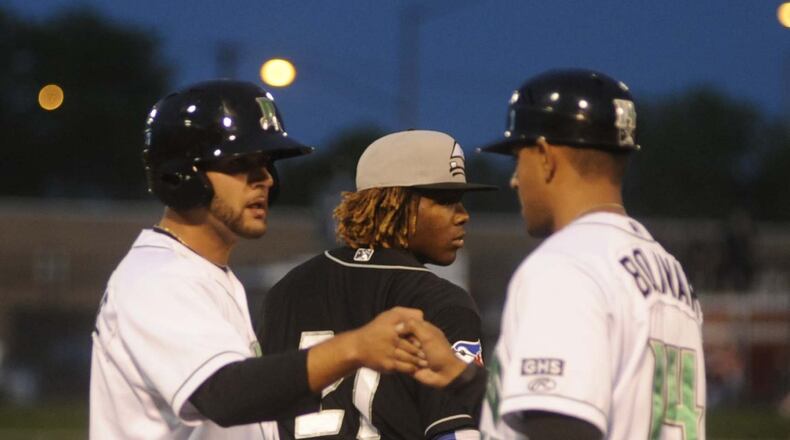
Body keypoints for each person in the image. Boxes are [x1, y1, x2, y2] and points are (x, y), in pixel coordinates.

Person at [89, 80, 432, 439]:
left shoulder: (201, 273)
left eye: (266, 164)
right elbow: (224, 395)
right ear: (180, 175)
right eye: (242, 163)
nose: (265, 179)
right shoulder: (157, 279)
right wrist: (354, 347)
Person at [476, 69, 707, 440]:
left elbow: (561, 427)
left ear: (545, 155)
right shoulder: (669, 271)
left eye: (518, 158)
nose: (515, 179)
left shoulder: (566, 265)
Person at [257, 130, 496, 439]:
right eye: (446, 200)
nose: (463, 215)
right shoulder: (441, 301)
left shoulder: (286, 291)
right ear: (392, 203)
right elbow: (457, 434)